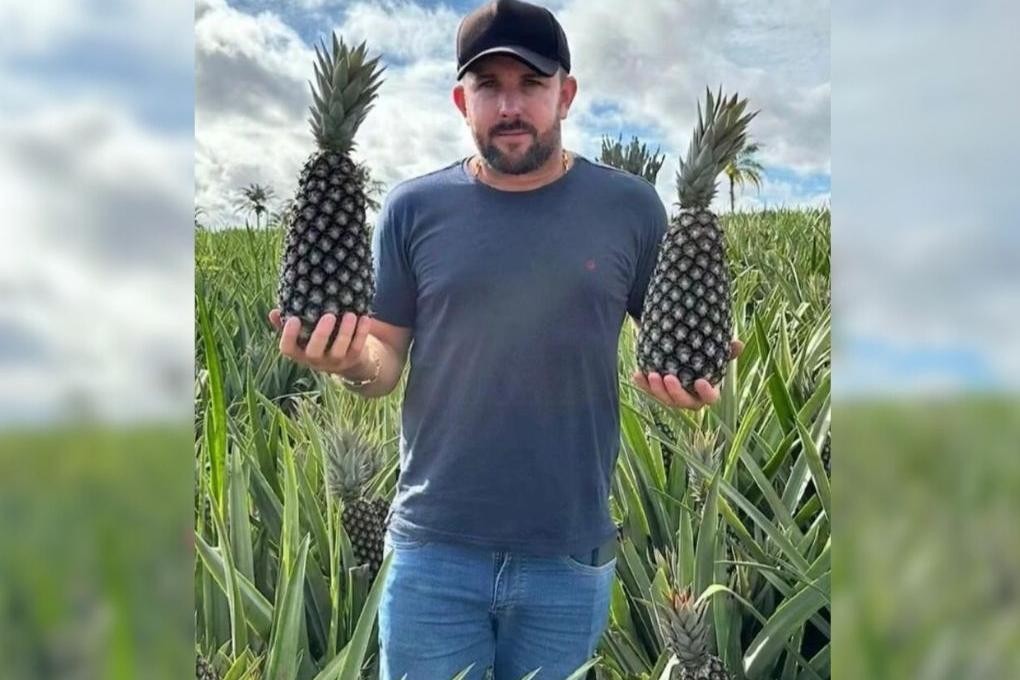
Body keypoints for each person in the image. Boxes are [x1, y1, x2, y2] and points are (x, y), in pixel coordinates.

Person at [270, 1, 743, 677]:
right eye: (489, 86)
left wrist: (690, 375)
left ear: (566, 94)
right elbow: (384, 360)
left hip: (567, 552)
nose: (510, 105)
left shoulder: (632, 208)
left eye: (531, 83)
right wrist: (348, 361)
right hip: (432, 551)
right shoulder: (412, 209)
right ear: (462, 100)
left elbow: (666, 338)